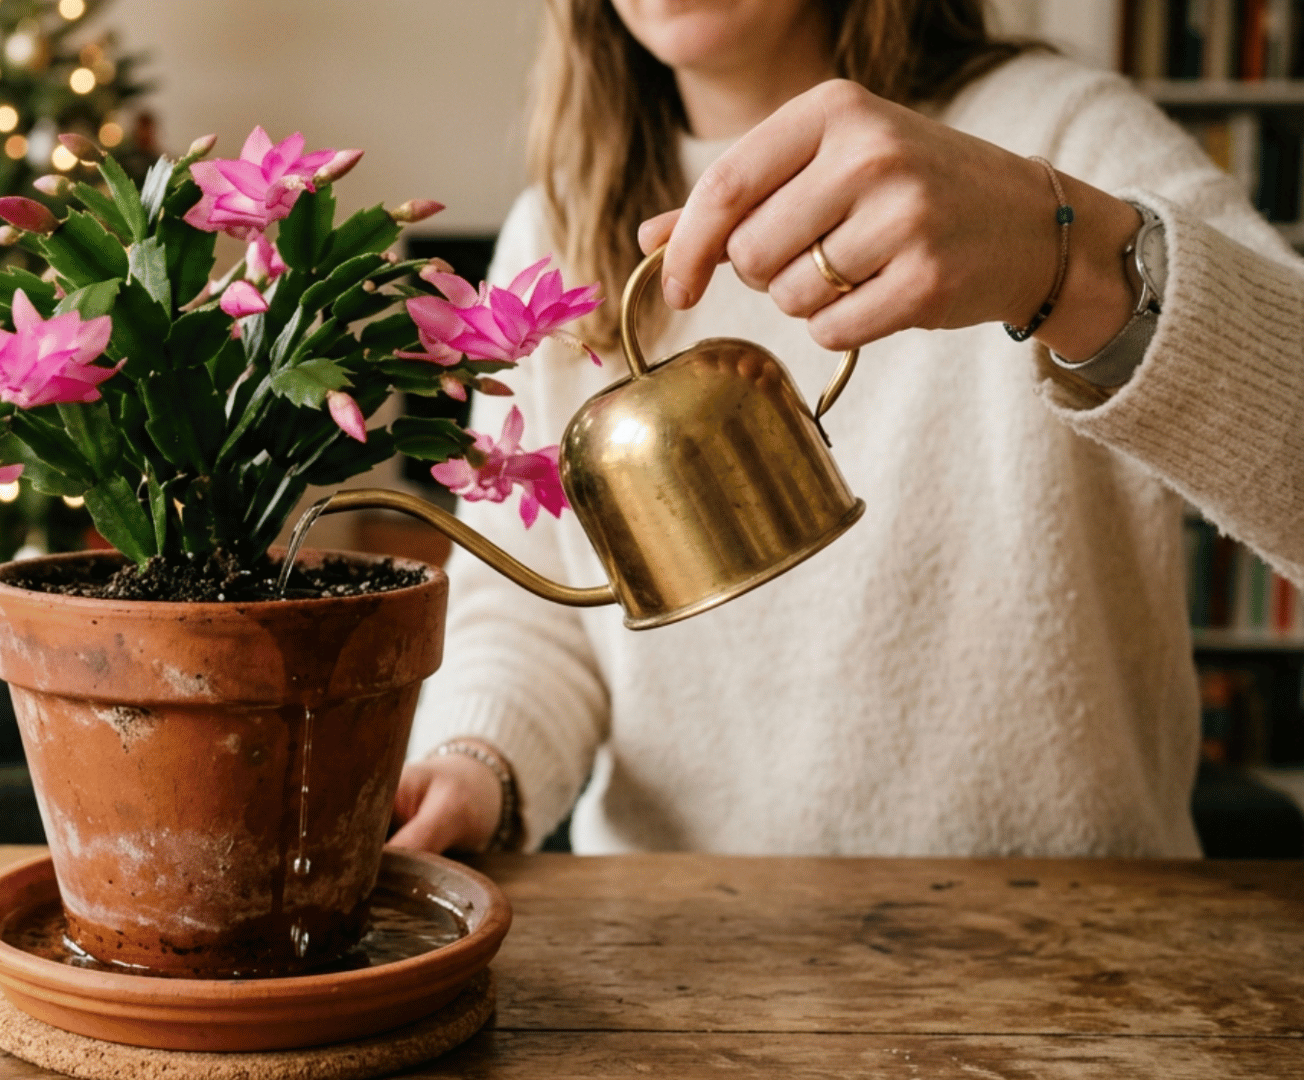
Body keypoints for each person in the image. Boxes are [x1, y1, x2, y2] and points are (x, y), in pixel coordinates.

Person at [387, 0, 1304, 858]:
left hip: (1072, 950)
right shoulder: (560, 222)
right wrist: (479, 766)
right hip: (686, 954)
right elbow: (535, 598)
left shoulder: (1059, 136)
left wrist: (1061, 254)